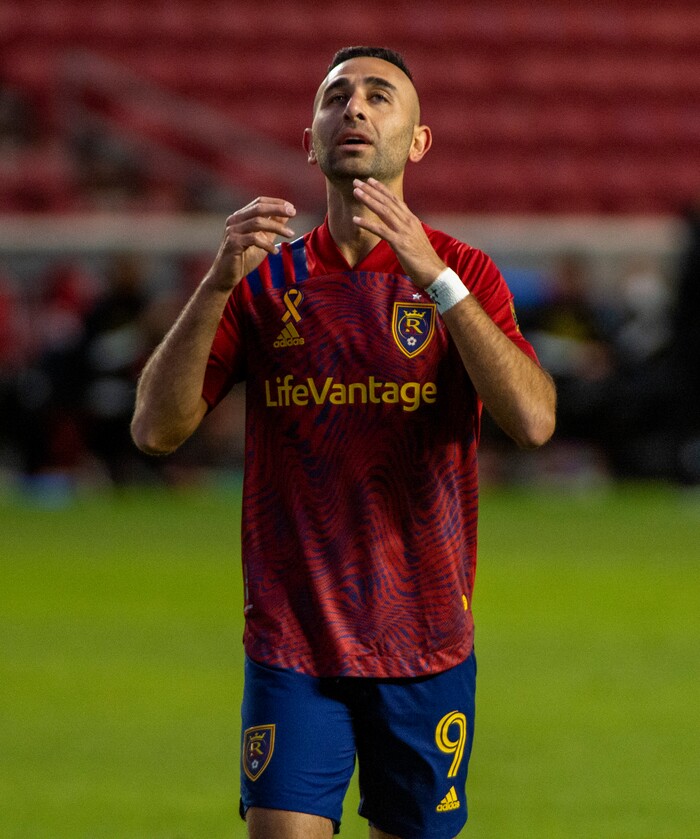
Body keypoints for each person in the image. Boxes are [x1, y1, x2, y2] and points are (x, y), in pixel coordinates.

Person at [131, 46, 556, 839]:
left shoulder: (464, 271)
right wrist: (217, 281)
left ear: (418, 140)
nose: (354, 108)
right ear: (310, 139)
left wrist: (438, 282)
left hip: (425, 642)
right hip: (295, 640)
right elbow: (156, 428)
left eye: (379, 96)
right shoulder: (263, 280)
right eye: (336, 97)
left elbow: (533, 422)